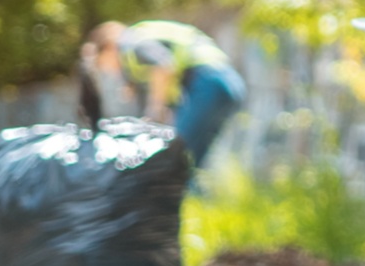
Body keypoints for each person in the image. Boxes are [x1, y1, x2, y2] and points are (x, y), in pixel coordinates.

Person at [80, 19, 246, 167]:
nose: (109, 71)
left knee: (177, 154)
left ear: (109, 48)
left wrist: (155, 109)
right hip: (227, 82)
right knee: (192, 158)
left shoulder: (130, 43)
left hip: (209, 81)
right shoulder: (137, 45)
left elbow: (163, 65)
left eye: (103, 65)